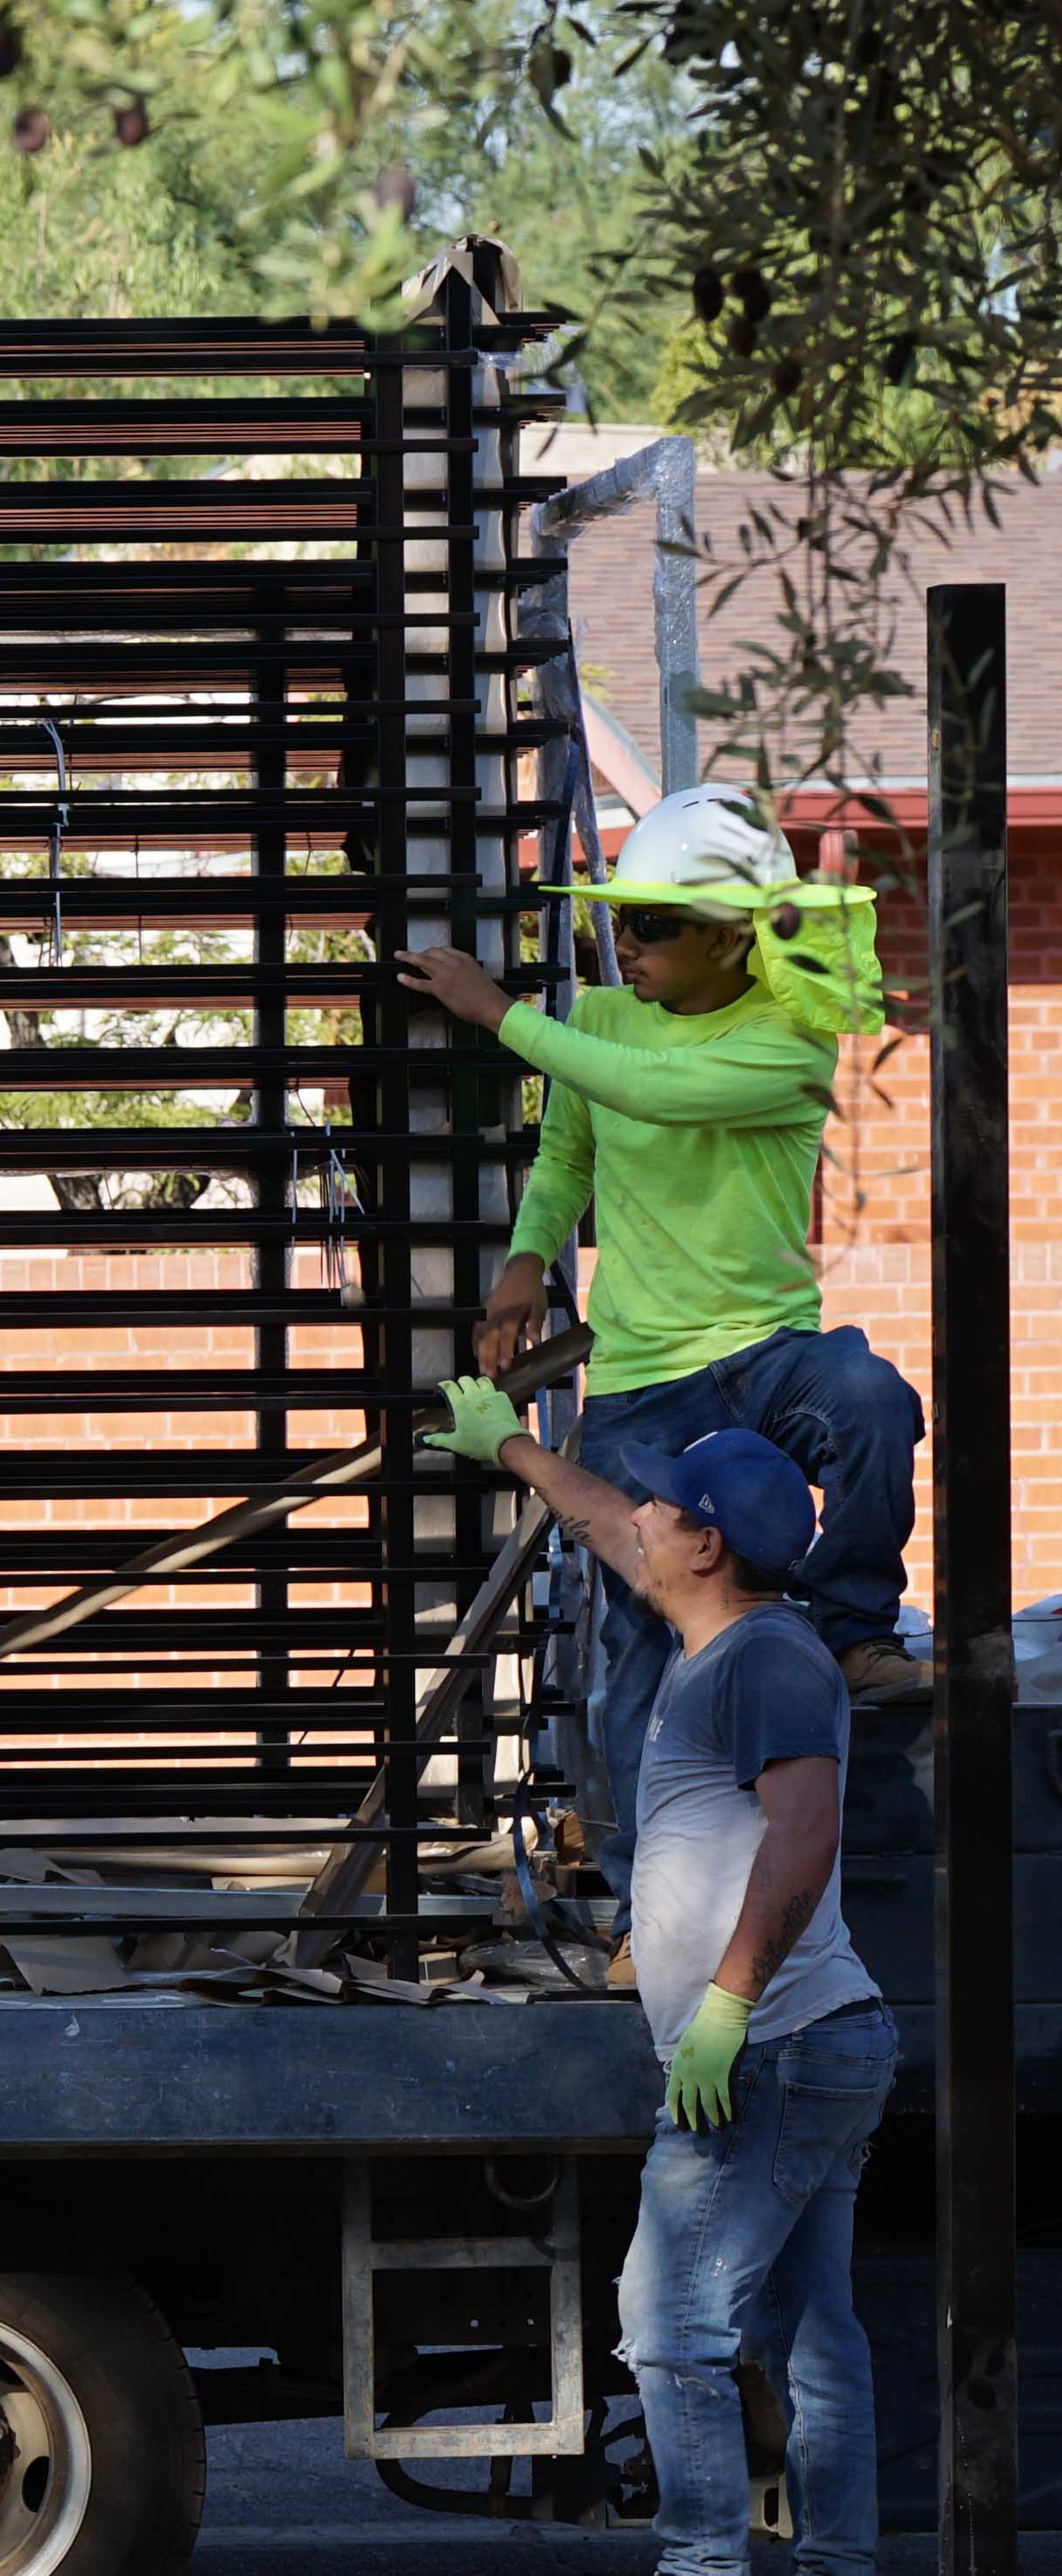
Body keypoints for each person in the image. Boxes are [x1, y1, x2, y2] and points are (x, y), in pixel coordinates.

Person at [394, 782, 923, 1897]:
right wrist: (527, 1260)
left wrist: (499, 1014)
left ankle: (851, 1621)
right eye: (620, 918)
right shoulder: (597, 1016)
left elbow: (653, 1090)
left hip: (766, 1352)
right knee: (637, 1650)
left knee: (867, 1397)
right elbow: (572, 1155)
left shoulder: (786, 1040)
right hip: (642, 1376)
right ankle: (645, 1894)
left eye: (653, 923)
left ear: (734, 934)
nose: (624, 941)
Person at [430, 1381, 892, 2576]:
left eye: (666, 1506)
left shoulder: (772, 1663)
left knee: (668, 2323)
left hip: (772, 2045)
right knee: (811, 2339)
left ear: (709, 1542)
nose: (642, 1514)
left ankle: (701, 2560)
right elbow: (604, 1523)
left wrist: (727, 2003)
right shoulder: (720, 1636)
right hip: (796, 2041)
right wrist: (515, 1447)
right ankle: (841, 2561)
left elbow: (804, 1835)